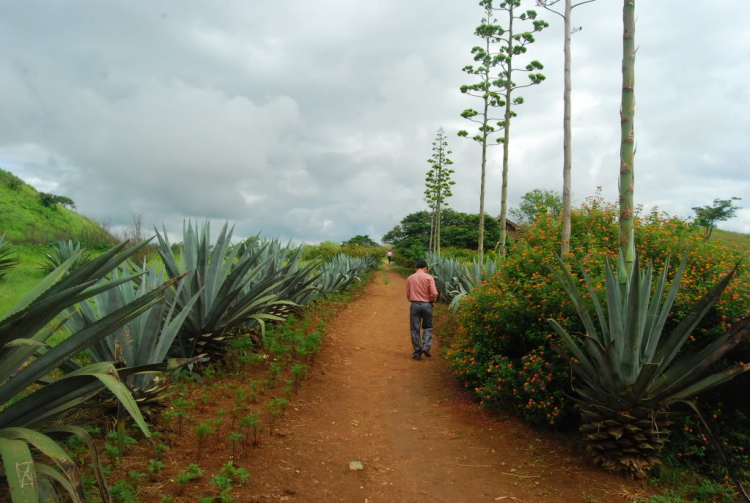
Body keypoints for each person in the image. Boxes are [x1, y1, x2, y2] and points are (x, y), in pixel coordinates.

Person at [405, 259, 438, 361]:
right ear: (425, 268)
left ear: (416, 268)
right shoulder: (429, 277)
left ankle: (417, 353)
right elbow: (434, 293)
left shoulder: (410, 278)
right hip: (427, 305)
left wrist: (413, 300)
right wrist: (432, 301)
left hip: (414, 305)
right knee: (428, 327)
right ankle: (426, 346)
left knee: (414, 329)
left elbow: (408, 294)